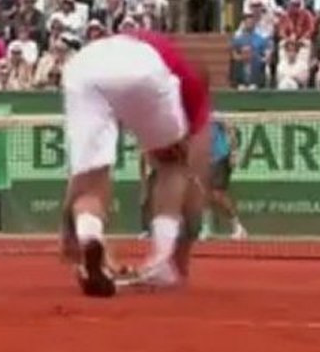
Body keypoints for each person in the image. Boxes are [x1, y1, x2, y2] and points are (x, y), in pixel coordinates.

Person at [60, 30, 211, 297]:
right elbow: (194, 173)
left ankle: (88, 235)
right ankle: (161, 262)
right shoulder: (193, 88)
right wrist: (183, 249)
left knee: (91, 180)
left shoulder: (146, 42)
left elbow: (80, 177)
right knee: (172, 164)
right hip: (144, 68)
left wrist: (65, 226)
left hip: (82, 68)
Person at [200, 119, 248, 240]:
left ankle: (238, 228)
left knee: (218, 194)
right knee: (204, 194)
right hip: (204, 160)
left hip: (220, 158)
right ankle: (206, 228)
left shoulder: (214, 116)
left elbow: (230, 129)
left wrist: (234, 152)